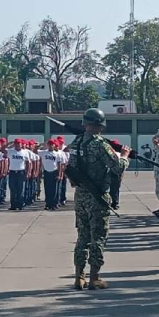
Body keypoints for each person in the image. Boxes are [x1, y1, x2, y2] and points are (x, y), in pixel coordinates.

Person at [69, 108, 130, 290]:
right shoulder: (100, 144)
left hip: (80, 195)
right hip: (98, 196)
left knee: (82, 237)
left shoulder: (76, 142)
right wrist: (125, 156)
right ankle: (94, 276)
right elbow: (117, 167)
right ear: (101, 126)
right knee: (99, 236)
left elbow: (70, 169)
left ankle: (79, 276)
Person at [7, 139, 31, 210]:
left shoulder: (25, 152)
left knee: (21, 189)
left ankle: (20, 204)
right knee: (13, 189)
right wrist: (9, 143)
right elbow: (2, 150)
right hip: (12, 172)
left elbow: (28, 163)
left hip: (21, 172)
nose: (18, 145)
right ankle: (13, 205)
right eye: (16, 143)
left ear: (21, 144)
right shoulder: (10, 151)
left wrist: (28, 172)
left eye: (19, 143)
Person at [39, 140, 63, 210]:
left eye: (52, 144)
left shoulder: (57, 154)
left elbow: (59, 165)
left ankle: (54, 204)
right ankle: (48, 204)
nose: (51, 146)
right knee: (47, 189)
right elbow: (34, 151)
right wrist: (41, 145)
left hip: (54, 172)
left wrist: (60, 174)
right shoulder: (43, 153)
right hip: (47, 172)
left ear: (54, 146)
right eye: (49, 144)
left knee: (54, 190)